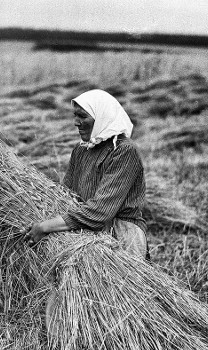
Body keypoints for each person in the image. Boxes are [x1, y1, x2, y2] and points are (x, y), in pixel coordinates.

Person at [24, 89, 148, 259]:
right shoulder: (81, 150)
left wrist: (46, 227)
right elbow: (65, 195)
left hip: (121, 236)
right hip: (85, 231)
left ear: (101, 117)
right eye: (75, 115)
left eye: (82, 116)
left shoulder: (124, 151)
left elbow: (100, 212)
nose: (76, 122)